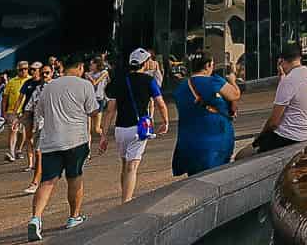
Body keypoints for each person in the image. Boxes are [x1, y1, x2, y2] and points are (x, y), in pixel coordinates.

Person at [28, 58, 102, 240]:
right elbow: (93, 111)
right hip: (75, 140)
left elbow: (41, 113)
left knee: (47, 182)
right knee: (74, 177)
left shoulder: (48, 87)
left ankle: (36, 219)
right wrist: (98, 129)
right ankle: (74, 217)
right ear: (79, 67)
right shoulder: (84, 85)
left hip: (50, 142)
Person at [99, 47, 168, 204]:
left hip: (120, 129)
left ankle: (125, 195)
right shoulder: (149, 81)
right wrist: (165, 122)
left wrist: (104, 135)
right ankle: (126, 201)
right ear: (144, 64)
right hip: (139, 129)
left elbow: (110, 111)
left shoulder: (119, 81)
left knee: (125, 165)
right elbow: (160, 104)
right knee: (132, 167)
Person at [171, 53, 240, 176]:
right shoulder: (213, 82)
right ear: (208, 65)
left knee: (195, 180)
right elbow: (234, 95)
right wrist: (232, 80)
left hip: (188, 143)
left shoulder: (180, 88)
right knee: (215, 178)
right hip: (214, 142)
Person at [245, 42, 307, 155]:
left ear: (281, 61)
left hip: (289, 137)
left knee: (242, 155)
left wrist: (259, 139)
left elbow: (273, 123)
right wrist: (282, 79)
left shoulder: (289, 80)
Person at [3, 62, 31, 162]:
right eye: (21, 69)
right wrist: (4, 112)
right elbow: (5, 98)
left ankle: (19, 150)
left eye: (25, 69)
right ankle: (11, 152)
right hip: (12, 111)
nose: (23, 71)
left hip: (26, 111)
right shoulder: (11, 81)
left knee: (22, 132)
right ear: (17, 70)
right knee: (13, 131)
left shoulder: (31, 80)